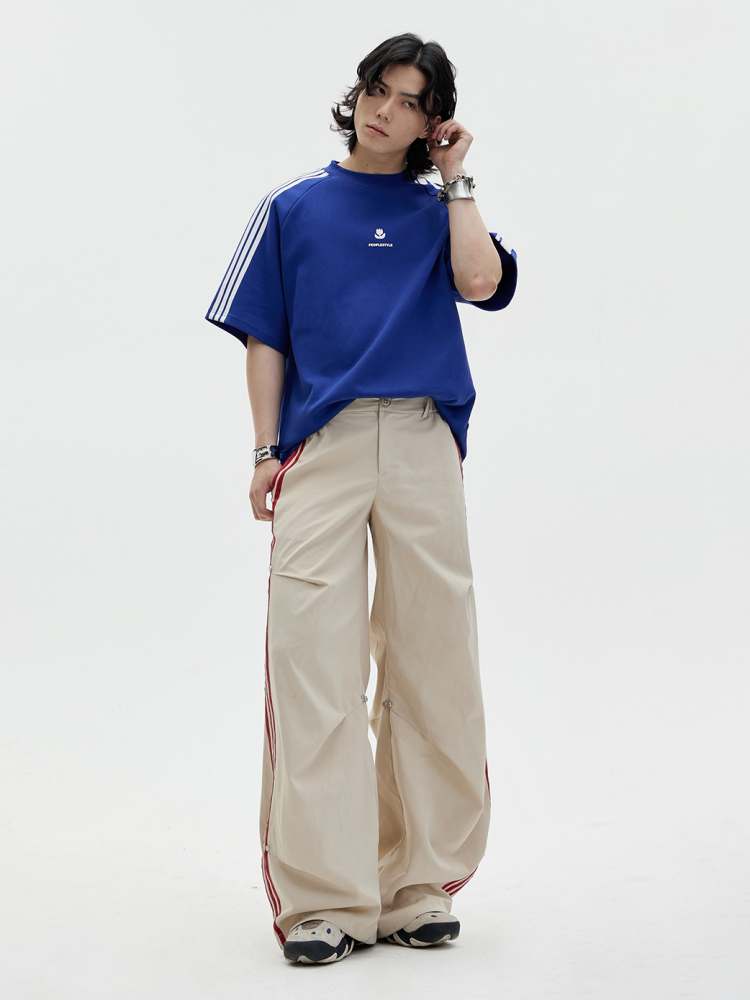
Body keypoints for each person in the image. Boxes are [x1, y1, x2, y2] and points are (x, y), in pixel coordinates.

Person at [205, 32, 518, 965]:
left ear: (433, 120)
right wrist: (265, 449)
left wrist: (457, 178)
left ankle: (418, 885)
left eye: (412, 100)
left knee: (433, 660)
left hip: (422, 439)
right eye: (378, 89)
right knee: (315, 664)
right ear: (358, 94)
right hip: (325, 444)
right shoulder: (294, 206)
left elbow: (480, 282)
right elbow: (265, 336)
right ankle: (326, 900)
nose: (386, 110)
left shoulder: (439, 210)